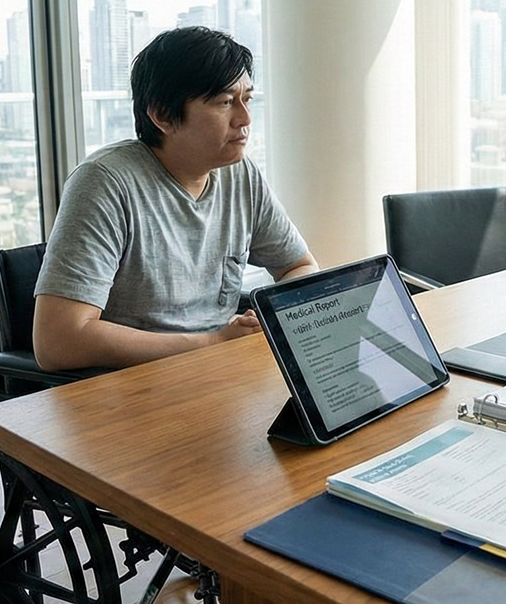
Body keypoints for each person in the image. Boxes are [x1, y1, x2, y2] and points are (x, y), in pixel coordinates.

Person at [34, 26, 317, 371]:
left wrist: (266, 319)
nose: (244, 119)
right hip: (132, 385)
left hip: (218, 372)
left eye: (248, 99)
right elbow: (58, 342)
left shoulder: (240, 175)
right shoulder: (106, 182)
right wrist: (212, 343)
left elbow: (299, 266)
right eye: (226, 102)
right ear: (163, 116)